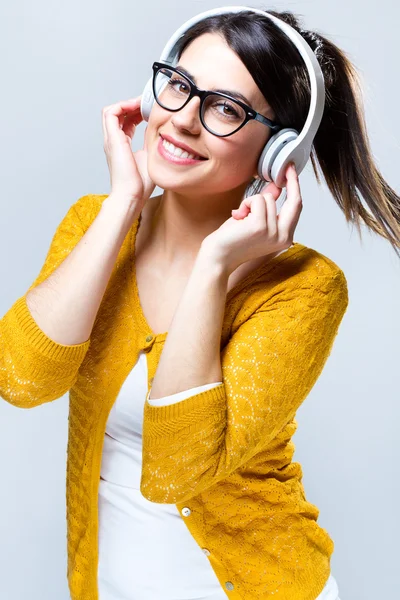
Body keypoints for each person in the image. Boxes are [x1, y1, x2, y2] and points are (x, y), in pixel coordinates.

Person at [1, 7, 399, 600]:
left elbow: (175, 469)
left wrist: (214, 266)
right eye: (180, 85)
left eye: (224, 108)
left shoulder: (304, 287)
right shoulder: (94, 225)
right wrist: (122, 204)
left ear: (277, 150)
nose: (183, 119)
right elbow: (21, 380)